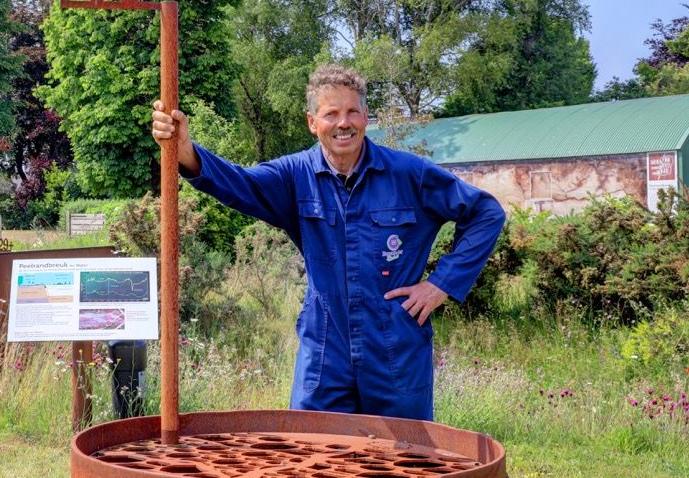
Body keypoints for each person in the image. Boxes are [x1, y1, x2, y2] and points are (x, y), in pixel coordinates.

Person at [151, 64, 505, 421]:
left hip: (396, 348)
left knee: (405, 460)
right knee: (313, 455)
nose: (343, 123)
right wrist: (186, 151)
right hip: (325, 351)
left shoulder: (408, 174)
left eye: (352, 111)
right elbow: (239, 183)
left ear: (366, 116)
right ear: (312, 122)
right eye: (331, 114)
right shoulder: (294, 176)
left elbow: (486, 214)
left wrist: (439, 285)